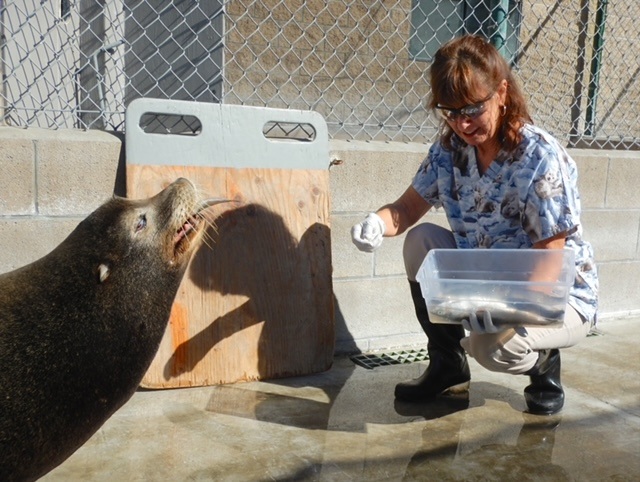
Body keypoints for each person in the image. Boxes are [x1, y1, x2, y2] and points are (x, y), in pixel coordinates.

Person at [350, 35, 598, 415]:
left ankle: (544, 363)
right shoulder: (450, 150)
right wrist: (376, 223)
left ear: (501, 92)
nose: (462, 123)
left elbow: (549, 268)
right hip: (485, 284)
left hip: (556, 298)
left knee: (491, 348)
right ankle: (448, 366)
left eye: (472, 109)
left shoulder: (539, 159)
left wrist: (500, 308)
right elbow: (405, 210)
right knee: (420, 242)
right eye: (449, 111)